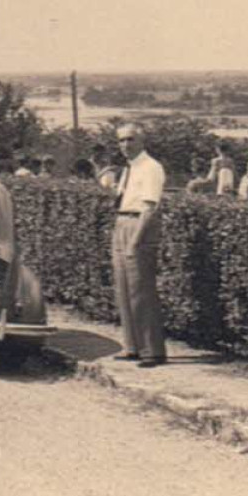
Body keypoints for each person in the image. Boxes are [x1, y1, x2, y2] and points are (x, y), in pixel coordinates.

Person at [110, 124, 167, 368]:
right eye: (121, 140)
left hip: (139, 226)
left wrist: (135, 240)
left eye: (130, 139)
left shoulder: (151, 168)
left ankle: (152, 351)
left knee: (140, 290)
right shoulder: (129, 169)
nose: (125, 145)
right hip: (122, 222)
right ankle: (132, 346)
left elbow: (150, 208)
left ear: (142, 141)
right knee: (123, 288)